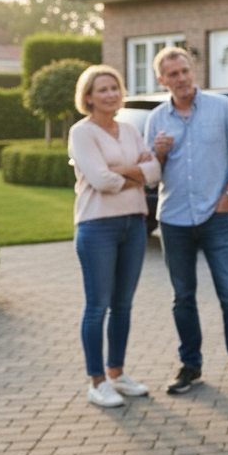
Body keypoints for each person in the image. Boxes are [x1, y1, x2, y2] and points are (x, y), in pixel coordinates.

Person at [144, 46, 228, 397]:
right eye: (172, 74)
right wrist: (159, 154)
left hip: (216, 217)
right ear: (161, 80)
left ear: (192, 70)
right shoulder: (156, 120)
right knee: (183, 298)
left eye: (184, 71)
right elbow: (151, 176)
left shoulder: (221, 107)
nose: (180, 79)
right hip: (175, 220)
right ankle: (190, 367)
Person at [69, 64, 161, 408]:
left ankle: (117, 373)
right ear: (88, 97)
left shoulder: (129, 130)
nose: (110, 94)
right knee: (98, 306)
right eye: (102, 89)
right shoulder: (82, 133)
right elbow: (100, 180)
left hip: (134, 225)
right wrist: (136, 173)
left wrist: (125, 172)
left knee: (123, 305)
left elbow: (156, 172)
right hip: (97, 227)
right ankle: (96, 381)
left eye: (114, 88)